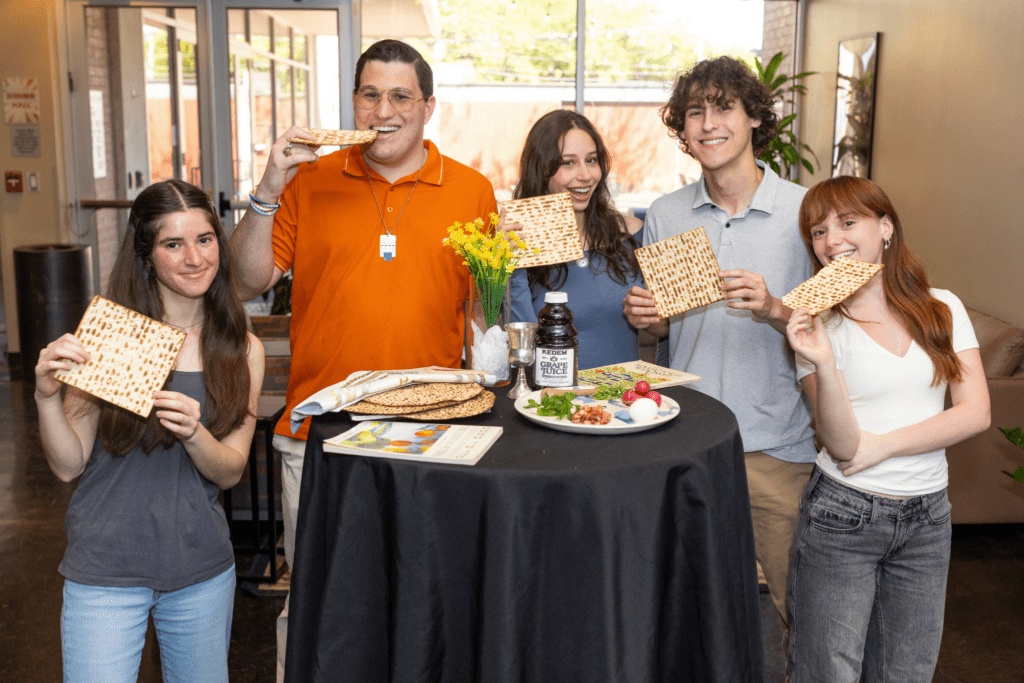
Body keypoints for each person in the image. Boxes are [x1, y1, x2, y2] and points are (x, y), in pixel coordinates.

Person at [227, 39, 498, 681]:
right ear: (353, 102)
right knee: (317, 600)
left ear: (428, 106)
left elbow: (484, 315)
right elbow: (244, 281)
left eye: (401, 96)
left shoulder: (472, 190)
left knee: (424, 598)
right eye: (371, 94)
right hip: (320, 433)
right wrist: (267, 189)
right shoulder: (310, 180)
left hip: (431, 435)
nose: (384, 110)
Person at [34, 179, 265, 682]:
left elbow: (230, 471)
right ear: (146, 255)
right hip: (105, 567)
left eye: (204, 239)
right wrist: (46, 398)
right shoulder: (115, 337)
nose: (194, 258)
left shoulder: (240, 349)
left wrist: (195, 433)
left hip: (200, 568)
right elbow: (68, 464)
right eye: (173, 244)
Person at [622, 55, 817, 644]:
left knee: (804, 612)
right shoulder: (666, 213)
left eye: (723, 107)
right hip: (686, 442)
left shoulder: (808, 212)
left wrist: (775, 307)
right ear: (681, 128)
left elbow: (835, 330)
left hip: (777, 447)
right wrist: (648, 320)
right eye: (694, 112)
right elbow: (667, 333)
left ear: (755, 116)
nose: (708, 124)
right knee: (686, 608)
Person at [785, 176, 989, 681]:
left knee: (907, 671)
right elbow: (843, 446)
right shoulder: (815, 326)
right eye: (818, 231)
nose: (832, 240)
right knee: (827, 670)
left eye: (847, 222)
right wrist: (823, 361)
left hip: (929, 518)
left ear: (886, 227)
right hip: (842, 515)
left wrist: (883, 446)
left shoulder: (943, 306)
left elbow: (975, 412)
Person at [506, 109, 644, 368]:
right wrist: (511, 266)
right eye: (568, 163)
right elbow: (523, 350)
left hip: (622, 392)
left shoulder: (632, 234)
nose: (585, 175)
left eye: (591, 160)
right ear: (541, 170)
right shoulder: (518, 245)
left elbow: (662, 329)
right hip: (549, 392)